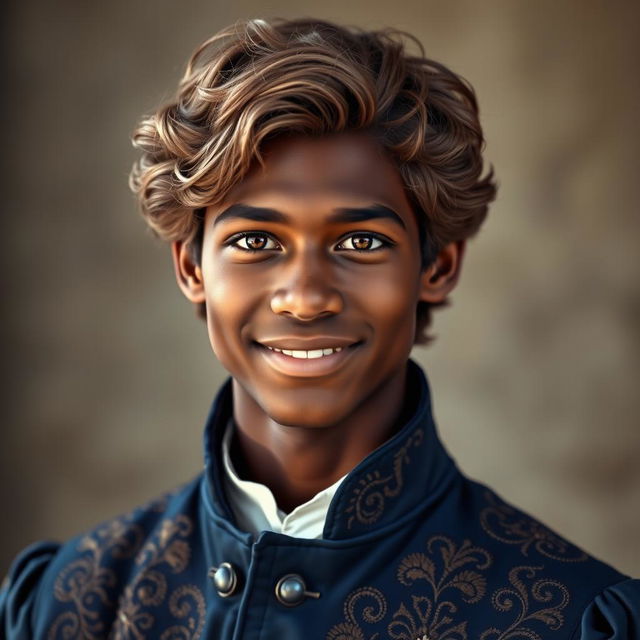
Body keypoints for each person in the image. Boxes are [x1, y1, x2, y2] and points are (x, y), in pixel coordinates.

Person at [1, 17, 637, 640]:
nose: (305, 299)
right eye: (255, 240)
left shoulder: (577, 619)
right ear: (192, 268)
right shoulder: (66, 607)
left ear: (436, 266)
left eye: (360, 240)